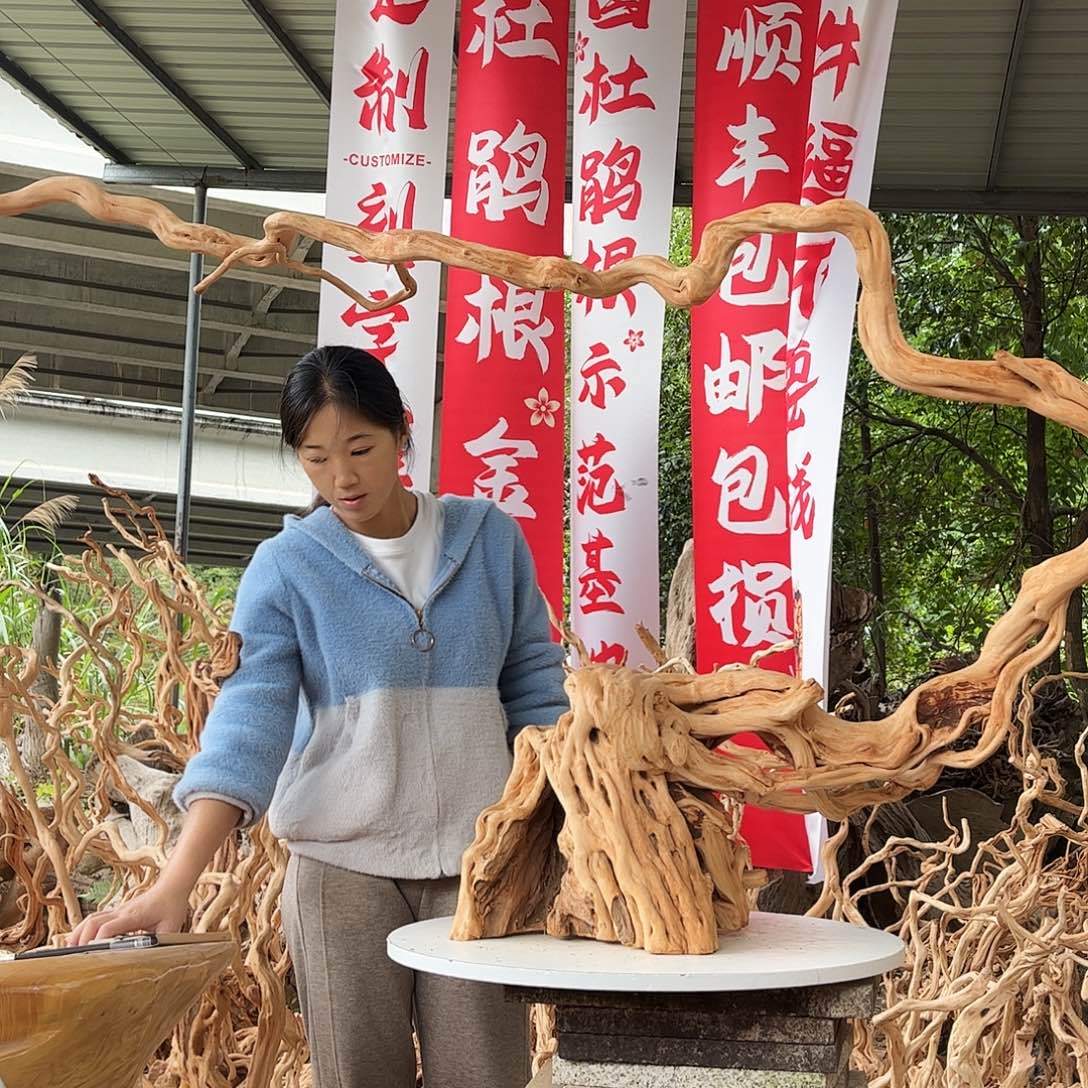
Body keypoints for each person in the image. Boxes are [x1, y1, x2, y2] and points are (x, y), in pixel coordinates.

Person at [69, 345, 569, 1088]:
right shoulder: (287, 567)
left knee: (485, 1076)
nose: (342, 477)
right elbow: (249, 725)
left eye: (360, 448)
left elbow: (535, 692)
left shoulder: (489, 539)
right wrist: (174, 884)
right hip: (342, 872)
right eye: (315, 458)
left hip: (479, 863)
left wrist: (563, 831)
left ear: (402, 433)